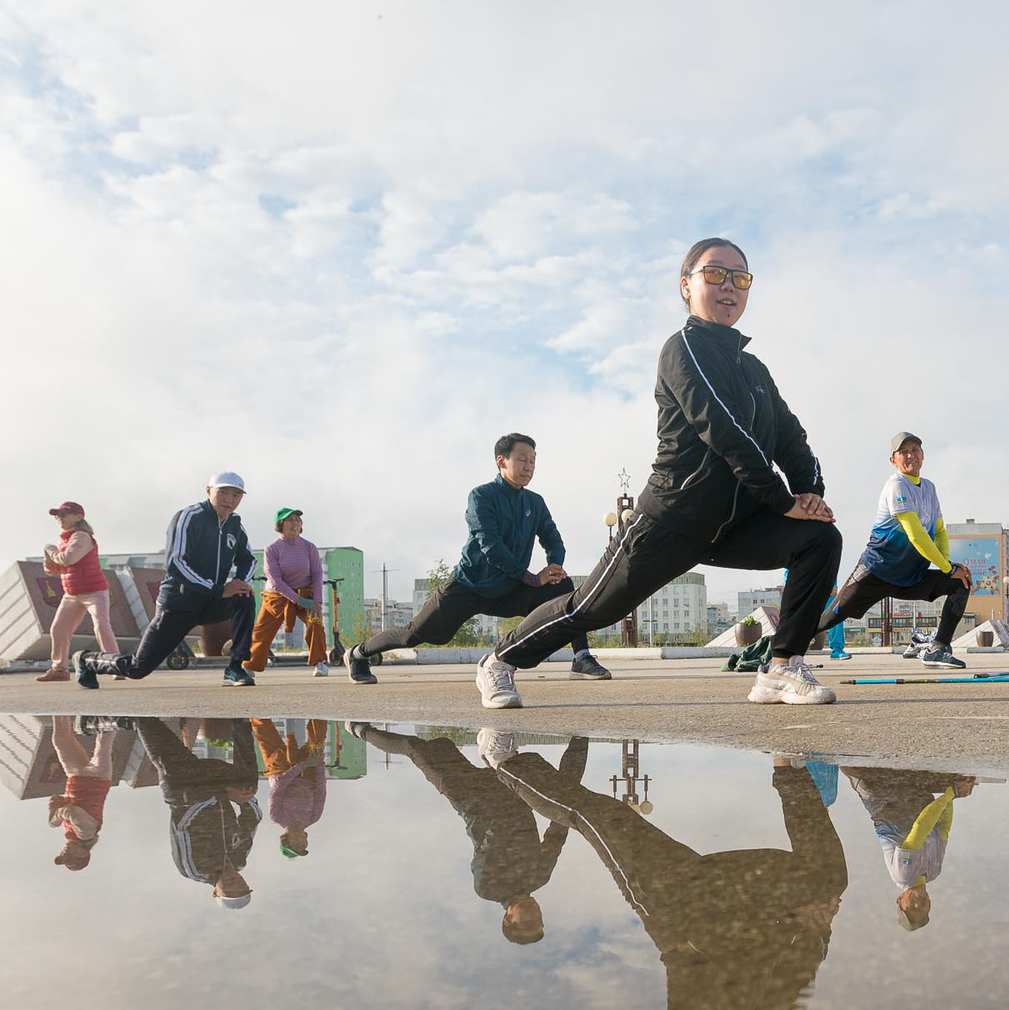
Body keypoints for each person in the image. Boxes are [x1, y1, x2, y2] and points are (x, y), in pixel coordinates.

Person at [471, 240, 841, 709]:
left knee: (820, 539)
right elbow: (722, 429)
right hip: (672, 519)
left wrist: (809, 494)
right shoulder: (683, 349)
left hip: (735, 524)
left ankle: (781, 668)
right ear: (686, 286)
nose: (729, 286)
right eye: (715, 274)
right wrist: (782, 499)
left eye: (740, 277)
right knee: (592, 607)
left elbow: (790, 436)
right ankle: (499, 661)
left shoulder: (754, 370)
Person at [493, 746, 846, 1010]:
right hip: (738, 902)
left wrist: (805, 934)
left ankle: (504, 763)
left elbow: (762, 998)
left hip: (675, 903)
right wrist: (816, 927)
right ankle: (787, 766)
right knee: (828, 880)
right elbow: (786, 986)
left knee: (597, 814)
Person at [348, 433, 608, 684]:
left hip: (510, 589)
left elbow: (552, 538)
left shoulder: (535, 502)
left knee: (563, 588)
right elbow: (490, 546)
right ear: (501, 461)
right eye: (522, 459)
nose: (529, 466)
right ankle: (358, 654)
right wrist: (530, 577)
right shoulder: (481, 496)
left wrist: (554, 565)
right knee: (413, 635)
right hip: (469, 586)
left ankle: (581, 657)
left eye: (532, 461)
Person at [356, 725, 587, 943]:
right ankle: (580, 736)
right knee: (567, 797)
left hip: (471, 795)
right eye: (539, 920)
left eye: (528, 921)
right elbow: (556, 836)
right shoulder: (540, 877)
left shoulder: (488, 889)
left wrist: (509, 810)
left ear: (508, 919)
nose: (536, 914)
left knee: (417, 748)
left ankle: (359, 730)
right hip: (512, 793)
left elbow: (490, 845)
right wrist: (564, 811)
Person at [77, 473, 258, 689]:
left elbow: (248, 559)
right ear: (209, 491)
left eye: (236, 494)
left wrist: (240, 583)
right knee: (138, 668)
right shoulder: (189, 517)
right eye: (223, 492)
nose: (229, 499)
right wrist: (219, 590)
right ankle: (87, 660)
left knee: (244, 596)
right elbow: (176, 563)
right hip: (179, 604)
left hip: (210, 603)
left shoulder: (235, 525)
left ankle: (235, 667)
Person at [817, 433, 974, 670]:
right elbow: (916, 535)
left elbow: (939, 531)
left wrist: (948, 567)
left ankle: (938, 649)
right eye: (904, 452)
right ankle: (777, 650)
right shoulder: (896, 485)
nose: (911, 455)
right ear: (893, 460)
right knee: (828, 619)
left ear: (923, 455)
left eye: (915, 450)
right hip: (876, 571)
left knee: (961, 582)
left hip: (911, 575)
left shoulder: (929, 488)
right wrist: (947, 567)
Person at [126, 716, 261, 906]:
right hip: (216, 785)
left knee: (146, 723)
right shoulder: (239, 859)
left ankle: (119, 722)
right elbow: (253, 819)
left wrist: (221, 794)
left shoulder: (195, 869)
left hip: (184, 789)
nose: (236, 885)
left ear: (216, 892)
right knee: (248, 784)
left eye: (230, 891)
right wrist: (246, 799)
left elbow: (183, 824)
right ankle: (241, 723)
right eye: (242, 888)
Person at [842, 768, 973, 929]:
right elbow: (943, 828)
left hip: (880, 794)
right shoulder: (934, 871)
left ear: (900, 899)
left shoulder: (903, 876)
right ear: (930, 904)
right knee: (963, 779)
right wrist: (952, 794)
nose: (918, 905)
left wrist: (951, 793)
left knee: (849, 765)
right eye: (923, 910)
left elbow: (920, 827)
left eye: (912, 908)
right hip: (912, 794)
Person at [37, 504, 119, 682]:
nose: (59, 517)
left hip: (95, 591)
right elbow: (53, 570)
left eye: (64, 514)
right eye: (57, 515)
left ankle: (116, 666)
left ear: (78, 517)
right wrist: (48, 557)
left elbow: (67, 559)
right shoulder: (64, 541)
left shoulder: (82, 537)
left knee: (101, 626)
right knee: (59, 629)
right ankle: (59, 670)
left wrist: (50, 550)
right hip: (72, 593)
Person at [246, 509, 331, 677]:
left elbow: (317, 574)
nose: (295, 523)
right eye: (290, 520)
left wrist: (317, 601)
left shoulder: (309, 547)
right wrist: (298, 600)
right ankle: (249, 666)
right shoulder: (272, 549)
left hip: (305, 592)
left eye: (298, 520)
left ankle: (319, 662)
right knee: (262, 631)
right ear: (280, 524)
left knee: (315, 623)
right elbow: (276, 581)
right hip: (277, 596)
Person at [45, 714, 116, 870]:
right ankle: (112, 709)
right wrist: (53, 820)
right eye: (70, 856)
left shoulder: (70, 832)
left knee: (61, 740)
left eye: (63, 855)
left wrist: (56, 805)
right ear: (84, 853)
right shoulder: (86, 834)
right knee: (103, 741)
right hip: (97, 777)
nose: (65, 853)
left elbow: (64, 804)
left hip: (75, 776)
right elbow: (71, 811)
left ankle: (58, 706)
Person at [252, 718, 331, 858]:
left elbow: (278, 788)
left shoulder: (277, 817)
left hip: (281, 770)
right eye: (303, 844)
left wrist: (299, 767)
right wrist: (319, 765)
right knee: (317, 742)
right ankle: (319, 712)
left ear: (285, 840)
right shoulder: (313, 817)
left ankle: (255, 710)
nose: (301, 841)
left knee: (263, 732)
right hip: (307, 773)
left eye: (297, 845)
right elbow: (320, 791)